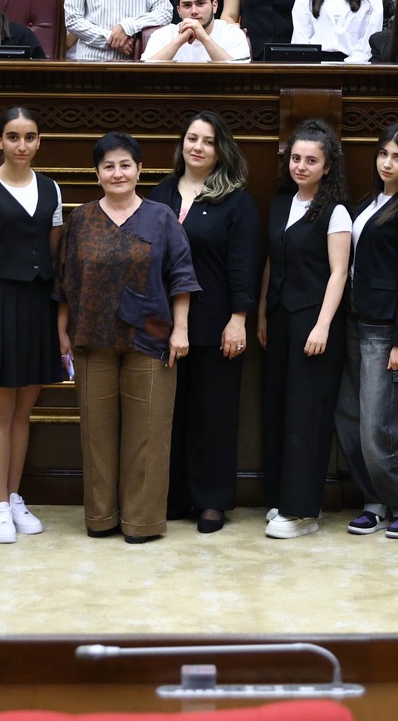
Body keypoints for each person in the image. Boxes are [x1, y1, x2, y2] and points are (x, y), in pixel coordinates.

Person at [54, 131, 198, 543]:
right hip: (91, 338)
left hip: (151, 340)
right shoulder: (81, 219)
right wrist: (62, 331)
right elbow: (65, 281)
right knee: (96, 435)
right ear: (97, 173)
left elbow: (181, 277)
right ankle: (101, 517)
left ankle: (142, 521)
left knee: (148, 434)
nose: (117, 173)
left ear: (139, 170)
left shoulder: (161, 217)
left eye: (125, 165)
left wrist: (181, 330)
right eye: (108, 166)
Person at [146, 111, 261, 534]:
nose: (197, 147)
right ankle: (174, 496)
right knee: (168, 413)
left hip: (216, 324)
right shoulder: (160, 194)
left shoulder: (236, 201)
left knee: (213, 414)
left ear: (220, 150)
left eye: (208, 141)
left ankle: (212, 500)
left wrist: (238, 318)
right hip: (161, 324)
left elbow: (244, 263)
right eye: (192, 138)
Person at [0, 106, 65, 544]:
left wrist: (59, 323)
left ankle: (15, 496)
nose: (22, 145)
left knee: (24, 411)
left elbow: (53, 257)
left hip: (38, 307)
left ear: (39, 142)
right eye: (14, 136)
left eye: (30, 136)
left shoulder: (51, 188)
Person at [335, 123, 398, 539]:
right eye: (383, 154)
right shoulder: (367, 203)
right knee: (349, 419)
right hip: (352, 322)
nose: (387, 163)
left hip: (383, 331)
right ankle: (374, 500)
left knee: (378, 427)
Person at [257, 119, 352, 539]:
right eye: (296, 158)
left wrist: (323, 325)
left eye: (311, 160)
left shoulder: (336, 212)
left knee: (306, 414)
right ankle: (282, 498)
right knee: (279, 408)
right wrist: (262, 313)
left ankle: (303, 512)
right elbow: (270, 261)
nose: (301, 166)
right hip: (280, 319)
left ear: (327, 166)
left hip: (315, 321)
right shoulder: (281, 204)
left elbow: (339, 273)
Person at [140, 0, 250, 63]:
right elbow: (144, 74)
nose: (194, 11)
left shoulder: (233, 33)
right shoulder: (162, 34)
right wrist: (179, 41)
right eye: (187, 5)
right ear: (179, 10)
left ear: (214, 6)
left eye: (200, 4)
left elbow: (241, 75)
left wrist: (204, 38)